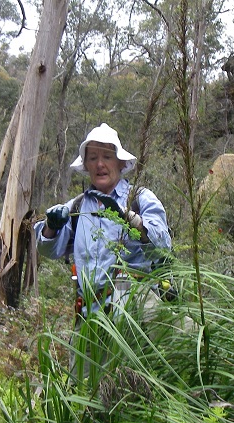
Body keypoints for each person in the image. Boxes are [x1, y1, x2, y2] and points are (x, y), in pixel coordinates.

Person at [34, 123, 173, 378]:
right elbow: (47, 249)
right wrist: (51, 227)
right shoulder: (76, 207)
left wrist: (128, 218)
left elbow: (163, 245)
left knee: (133, 387)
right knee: (84, 393)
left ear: (120, 163)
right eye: (93, 158)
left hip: (132, 311)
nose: (100, 164)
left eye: (107, 157)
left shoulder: (140, 198)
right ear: (85, 165)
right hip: (88, 314)